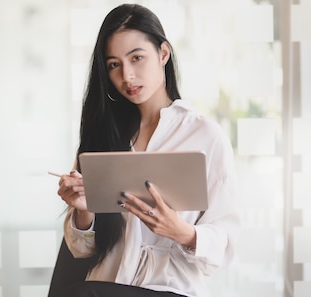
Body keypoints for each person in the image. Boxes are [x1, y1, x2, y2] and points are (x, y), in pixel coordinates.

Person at [54, 4, 239, 297]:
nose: (127, 76)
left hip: (170, 287)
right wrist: (84, 212)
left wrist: (184, 233)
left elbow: (226, 243)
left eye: (137, 58)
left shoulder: (205, 136)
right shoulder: (102, 137)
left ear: (163, 54)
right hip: (105, 284)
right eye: (114, 64)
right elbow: (82, 250)